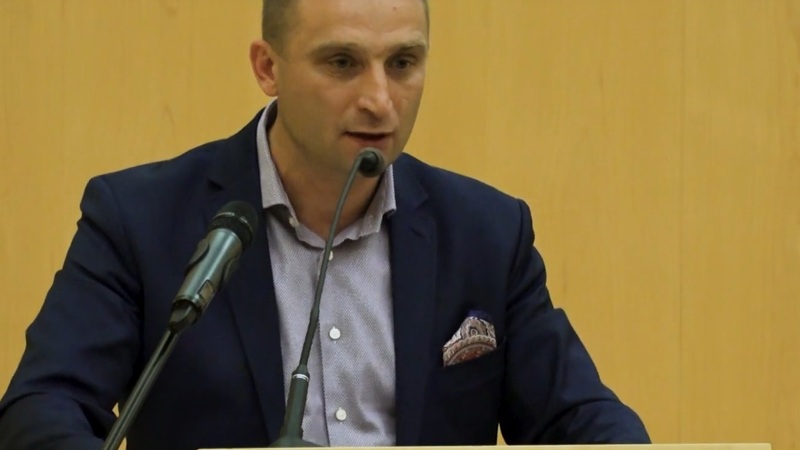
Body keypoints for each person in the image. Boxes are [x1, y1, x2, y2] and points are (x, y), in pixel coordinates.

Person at [0, 0, 651, 449]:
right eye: (342, 63)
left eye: (403, 63)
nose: (379, 99)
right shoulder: (142, 220)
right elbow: (43, 409)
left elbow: (578, 418)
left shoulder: (486, 232)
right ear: (267, 68)